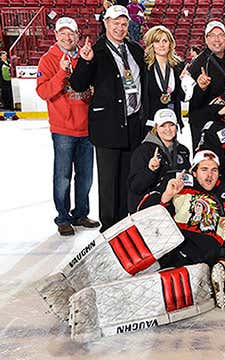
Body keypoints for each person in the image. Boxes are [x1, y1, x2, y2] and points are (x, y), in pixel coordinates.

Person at [69, 5, 146, 231]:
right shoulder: (96, 51)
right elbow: (78, 84)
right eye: (116, 23)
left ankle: (123, 225)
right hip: (108, 126)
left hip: (133, 123)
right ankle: (109, 228)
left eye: (124, 24)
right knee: (109, 181)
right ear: (106, 23)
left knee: (127, 178)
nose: (120, 28)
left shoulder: (134, 49)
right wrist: (85, 62)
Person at [139, 150, 225, 301]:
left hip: (209, 253)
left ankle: (220, 277)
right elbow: (143, 212)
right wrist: (166, 197)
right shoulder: (179, 185)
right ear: (194, 172)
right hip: (178, 247)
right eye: (204, 169)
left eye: (214, 170)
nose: (209, 175)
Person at [36, 17, 99, 236]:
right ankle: (63, 218)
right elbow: (43, 92)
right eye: (62, 33)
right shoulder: (48, 60)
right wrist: (62, 72)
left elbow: (92, 88)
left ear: (77, 35)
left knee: (85, 176)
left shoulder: (86, 56)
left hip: (86, 128)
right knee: (62, 176)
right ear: (55, 35)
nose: (67, 37)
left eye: (71, 33)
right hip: (63, 129)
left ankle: (80, 213)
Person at [187, 21, 225, 150]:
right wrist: (201, 88)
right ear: (206, 39)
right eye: (212, 35)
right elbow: (190, 102)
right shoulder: (197, 64)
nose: (217, 39)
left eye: (220, 35)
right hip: (204, 121)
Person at [128, 109, 190, 213]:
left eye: (171, 125)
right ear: (156, 128)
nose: (168, 129)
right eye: (163, 126)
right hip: (149, 205)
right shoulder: (143, 151)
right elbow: (135, 187)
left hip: (175, 202)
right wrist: (150, 170)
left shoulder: (183, 150)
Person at [141, 25, 186, 131]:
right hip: (151, 123)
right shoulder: (144, 66)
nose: (161, 45)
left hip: (171, 122)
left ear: (170, 44)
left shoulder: (178, 66)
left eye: (165, 41)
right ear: (151, 44)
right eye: (157, 41)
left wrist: (185, 83)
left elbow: (182, 96)